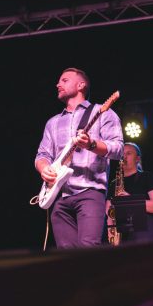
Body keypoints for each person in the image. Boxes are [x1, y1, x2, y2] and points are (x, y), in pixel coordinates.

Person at [34, 67, 124, 249]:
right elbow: (42, 155)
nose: (58, 84)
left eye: (64, 80)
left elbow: (118, 149)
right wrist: (44, 169)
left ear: (81, 85)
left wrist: (91, 144)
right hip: (60, 195)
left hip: (90, 192)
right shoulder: (52, 122)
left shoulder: (102, 112)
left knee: (88, 250)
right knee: (66, 257)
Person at [106, 142, 153, 244]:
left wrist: (130, 200)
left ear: (137, 159)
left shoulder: (147, 177)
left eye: (128, 153)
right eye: (122, 154)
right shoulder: (113, 184)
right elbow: (109, 213)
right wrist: (111, 235)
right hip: (122, 234)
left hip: (145, 233)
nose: (124, 156)